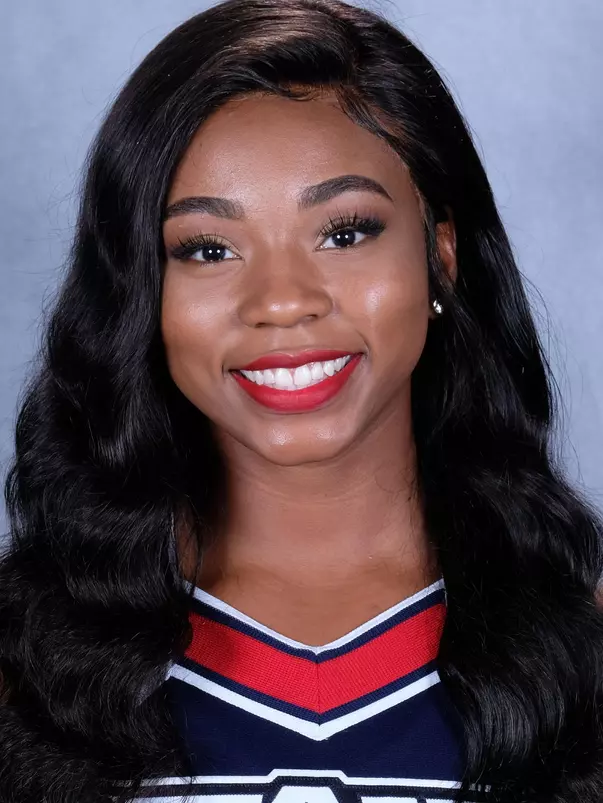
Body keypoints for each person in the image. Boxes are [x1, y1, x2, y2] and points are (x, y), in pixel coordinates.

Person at [1, 0, 602, 801]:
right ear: (140, 293)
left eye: (344, 232)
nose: (281, 302)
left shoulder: (582, 644)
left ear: (440, 255)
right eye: (206, 249)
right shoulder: (25, 657)